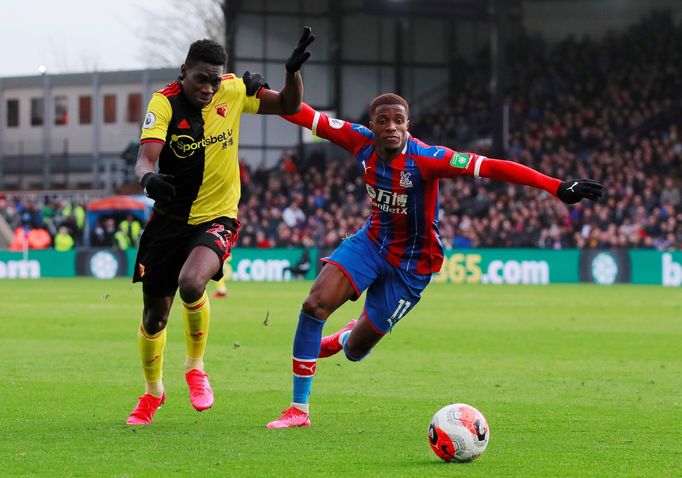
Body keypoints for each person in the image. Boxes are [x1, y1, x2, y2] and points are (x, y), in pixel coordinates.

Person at [266, 94, 604, 428]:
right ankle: (299, 409)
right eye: (383, 121)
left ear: (408, 125)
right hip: (371, 243)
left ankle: (345, 338)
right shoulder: (359, 141)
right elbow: (301, 113)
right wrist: (257, 93)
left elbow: (491, 167)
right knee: (315, 305)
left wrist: (555, 186)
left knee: (355, 351)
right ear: (373, 125)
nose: (391, 127)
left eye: (398, 120)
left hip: (412, 265)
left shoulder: (428, 158)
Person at [126, 27, 315, 425]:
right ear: (184, 72)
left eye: (215, 79)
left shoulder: (232, 89)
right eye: (202, 79)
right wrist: (148, 179)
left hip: (217, 216)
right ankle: (153, 393)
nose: (210, 88)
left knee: (193, 282)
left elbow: (288, 106)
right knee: (154, 317)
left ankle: (196, 368)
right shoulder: (164, 103)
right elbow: (145, 159)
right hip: (169, 221)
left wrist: (292, 71)